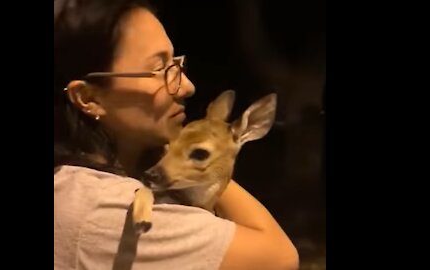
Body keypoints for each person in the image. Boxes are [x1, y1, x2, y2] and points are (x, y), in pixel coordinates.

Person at [54, 0, 299, 269]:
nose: (187, 86)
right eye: (160, 69)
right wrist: (213, 151)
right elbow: (279, 257)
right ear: (88, 97)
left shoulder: (73, 182)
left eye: (177, 64)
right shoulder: (116, 213)